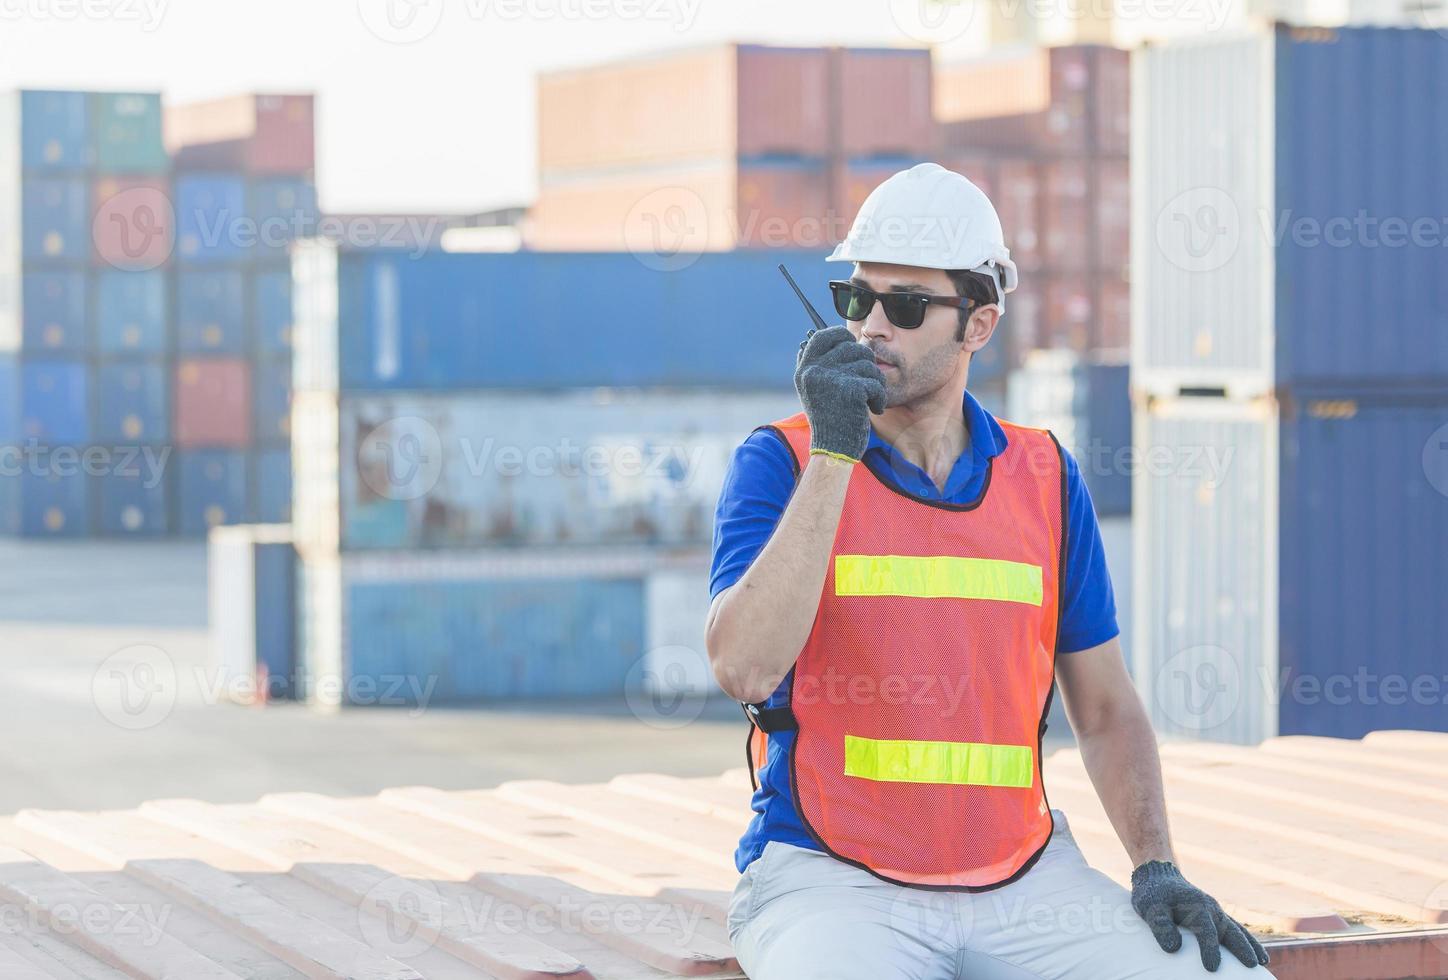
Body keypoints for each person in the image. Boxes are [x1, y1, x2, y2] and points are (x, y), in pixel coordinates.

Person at [705, 163, 1274, 979]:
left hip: (1026, 881)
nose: (870, 328)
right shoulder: (782, 460)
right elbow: (743, 665)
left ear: (978, 325)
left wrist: (1155, 866)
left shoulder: (1044, 475)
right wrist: (837, 450)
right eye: (855, 298)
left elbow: (1107, 707)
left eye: (904, 306)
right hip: (829, 882)